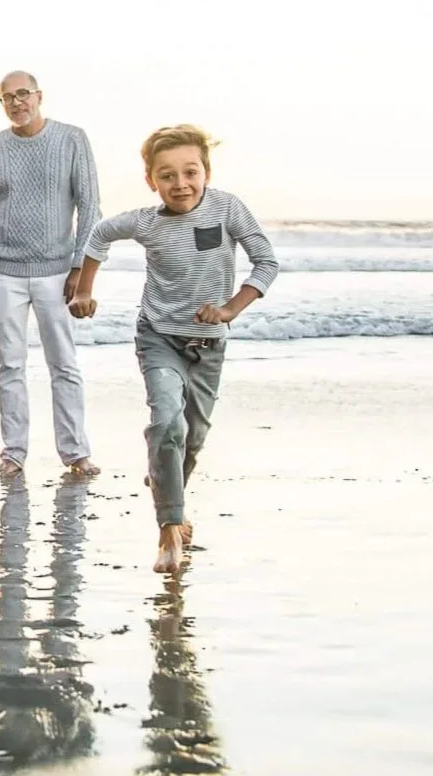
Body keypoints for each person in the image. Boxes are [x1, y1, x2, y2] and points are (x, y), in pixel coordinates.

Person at [68, 124, 279, 573]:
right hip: (159, 337)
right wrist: (84, 289)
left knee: (193, 438)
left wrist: (229, 309)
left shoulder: (227, 209)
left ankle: (166, 476)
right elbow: (99, 235)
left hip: (209, 346)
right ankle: (169, 529)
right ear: (151, 181)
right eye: (167, 176)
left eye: (190, 172)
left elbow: (266, 261)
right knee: (167, 422)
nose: (180, 184)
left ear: (206, 172)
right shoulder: (145, 221)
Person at [0, 70, 102, 479]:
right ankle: (13, 453)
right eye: (7, 98)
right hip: (4, 271)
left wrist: (80, 265)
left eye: (22, 94)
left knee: (64, 364)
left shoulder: (71, 139)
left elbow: (91, 207)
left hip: (57, 272)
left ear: (39, 95)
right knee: (9, 365)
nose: (16, 102)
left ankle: (76, 453)